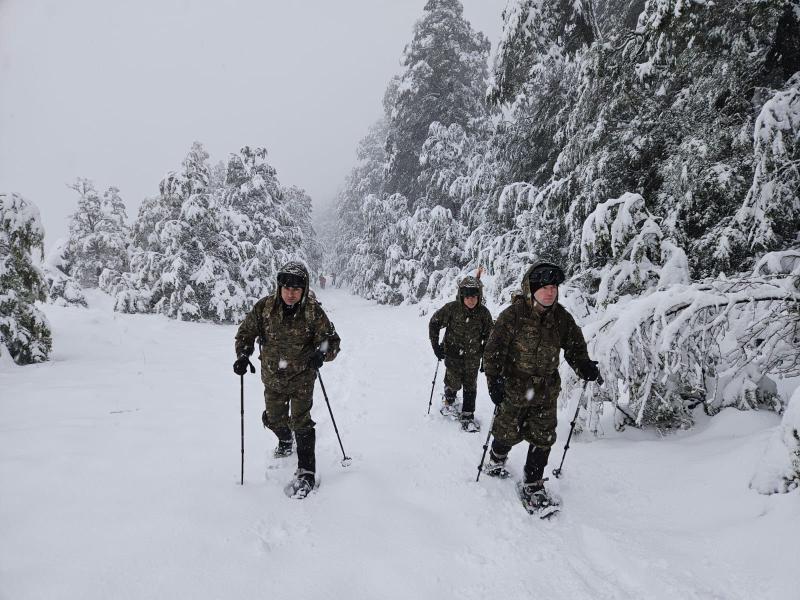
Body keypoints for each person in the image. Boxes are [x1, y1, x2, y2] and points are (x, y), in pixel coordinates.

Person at [482, 261, 599, 512]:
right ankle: (497, 458)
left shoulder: (562, 318)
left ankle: (533, 483)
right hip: (514, 388)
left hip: (546, 390)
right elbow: (493, 350)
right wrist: (494, 381)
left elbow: (575, 347)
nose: (550, 292)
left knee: (543, 437)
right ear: (531, 288)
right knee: (506, 433)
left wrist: (584, 366)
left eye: (554, 287)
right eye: (544, 287)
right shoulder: (512, 315)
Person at [233, 261, 341, 498]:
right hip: (272, 378)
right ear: (279, 287)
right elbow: (245, 333)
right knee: (274, 419)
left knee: (301, 422)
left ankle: (306, 472)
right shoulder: (264, 308)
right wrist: (243, 354)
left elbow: (333, 341)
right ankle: (285, 440)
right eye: (286, 288)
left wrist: (321, 354)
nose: (290, 293)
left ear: (303, 290)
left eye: (296, 289)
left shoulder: (313, 311)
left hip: (302, 379)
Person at [428, 275, 494, 432]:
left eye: (474, 297)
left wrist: (486, 360)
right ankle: (449, 400)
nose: (471, 300)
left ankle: (468, 415)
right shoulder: (452, 309)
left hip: (473, 358)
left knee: (471, 386)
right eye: (468, 297)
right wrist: (435, 346)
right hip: (452, 355)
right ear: (462, 296)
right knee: (453, 382)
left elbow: (490, 338)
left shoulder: (484, 314)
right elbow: (434, 323)